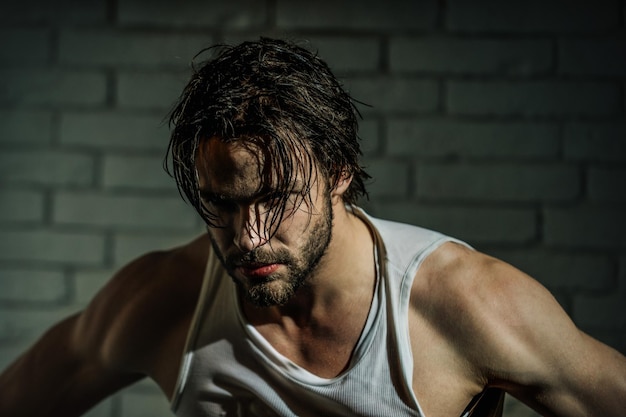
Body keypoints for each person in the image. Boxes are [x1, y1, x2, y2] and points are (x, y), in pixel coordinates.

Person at [0, 37, 625, 417]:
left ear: (338, 173)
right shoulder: (165, 301)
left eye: (275, 198)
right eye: (221, 203)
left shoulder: (464, 305)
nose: (247, 236)